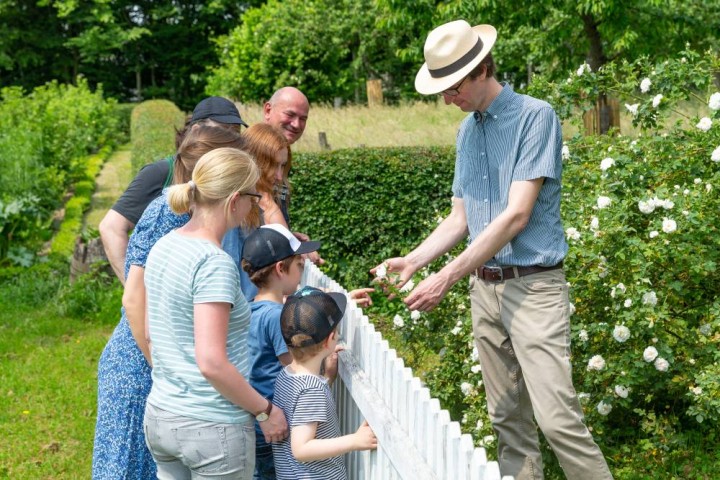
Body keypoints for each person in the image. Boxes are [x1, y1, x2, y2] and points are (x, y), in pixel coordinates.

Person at [373, 20, 612, 480]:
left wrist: (445, 277)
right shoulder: (467, 131)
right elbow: (461, 218)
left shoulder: (535, 117)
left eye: (452, 86)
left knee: (558, 422)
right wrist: (415, 260)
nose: (446, 97)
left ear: (481, 69)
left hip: (534, 288)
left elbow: (516, 215)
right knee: (508, 422)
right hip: (485, 291)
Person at [92, 125, 245, 479]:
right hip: (139, 369)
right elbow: (134, 299)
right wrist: (164, 370)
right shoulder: (166, 212)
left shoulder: (195, 215)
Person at [143, 147, 288, 479]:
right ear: (235, 199)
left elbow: (152, 335)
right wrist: (265, 411)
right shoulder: (213, 262)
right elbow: (211, 362)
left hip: (162, 416)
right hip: (212, 429)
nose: (255, 205)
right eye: (253, 196)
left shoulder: (164, 245)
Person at [240, 224, 374, 480]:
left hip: (266, 426)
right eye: (300, 265)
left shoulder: (254, 311)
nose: (303, 272)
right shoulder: (277, 318)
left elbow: (299, 307)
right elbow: (302, 445)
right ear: (281, 268)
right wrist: (356, 440)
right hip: (277, 432)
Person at [99, 96, 248, 284]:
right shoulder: (161, 172)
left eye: (236, 133)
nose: (231, 142)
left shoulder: (224, 180)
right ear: (196, 131)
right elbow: (111, 228)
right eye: (224, 133)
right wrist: (134, 290)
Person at [272, 287, 377, 479]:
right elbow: (301, 449)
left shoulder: (286, 375)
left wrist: (328, 378)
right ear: (330, 340)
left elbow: (304, 413)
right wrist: (355, 440)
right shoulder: (312, 389)